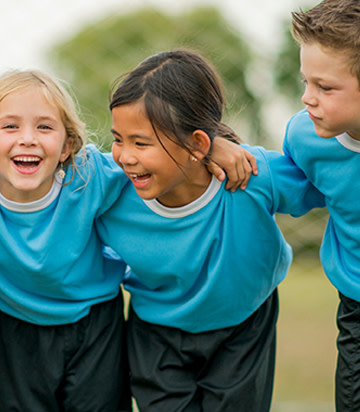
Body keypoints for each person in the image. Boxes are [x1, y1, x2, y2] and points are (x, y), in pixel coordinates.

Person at [0, 67, 257, 411]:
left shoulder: (89, 175)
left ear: (68, 147)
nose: (28, 138)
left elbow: (160, 154)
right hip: (15, 328)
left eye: (45, 126)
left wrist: (214, 146)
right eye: (10, 126)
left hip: (95, 328)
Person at [95, 49, 326, 411]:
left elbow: (327, 183)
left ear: (197, 143)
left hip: (243, 325)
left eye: (140, 142)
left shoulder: (251, 174)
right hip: (157, 333)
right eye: (118, 139)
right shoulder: (107, 186)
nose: (124, 155)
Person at [285, 1, 360, 410]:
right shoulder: (304, 136)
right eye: (306, 82)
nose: (306, 97)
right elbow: (289, 185)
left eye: (324, 87)